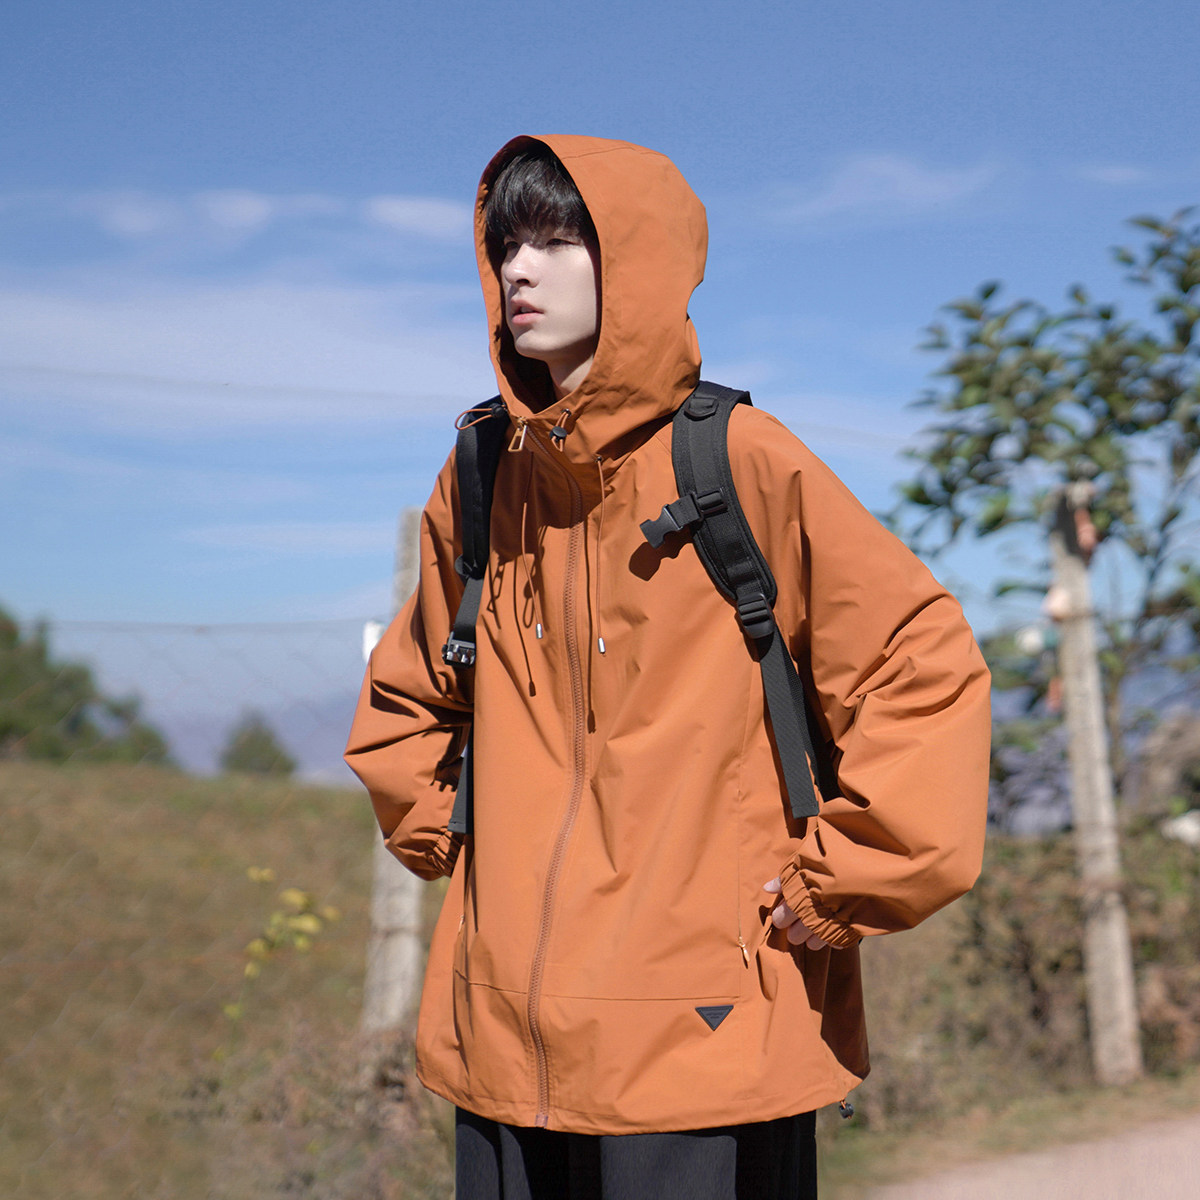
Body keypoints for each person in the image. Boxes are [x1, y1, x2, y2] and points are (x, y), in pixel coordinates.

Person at [345, 135, 991, 1199]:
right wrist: (452, 838)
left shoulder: (737, 459)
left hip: (705, 1038)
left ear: (637, 262)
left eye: (558, 242)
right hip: (506, 1042)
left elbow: (919, 664)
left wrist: (847, 880)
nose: (519, 270)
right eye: (506, 245)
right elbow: (410, 691)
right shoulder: (480, 472)